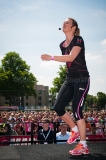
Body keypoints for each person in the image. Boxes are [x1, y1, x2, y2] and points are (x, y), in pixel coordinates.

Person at [41, 17, 90, 155]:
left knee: (77, 109)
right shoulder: (62, 44)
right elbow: (67, 61)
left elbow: (70, 57)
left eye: (67, 22)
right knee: (58, 107)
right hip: (69, 79)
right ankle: (74, 130)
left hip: (82, 79)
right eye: (63, 22)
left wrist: (51, 57)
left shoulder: (78, 40)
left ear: (74, 27)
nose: (64, 23)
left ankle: (83, 145)